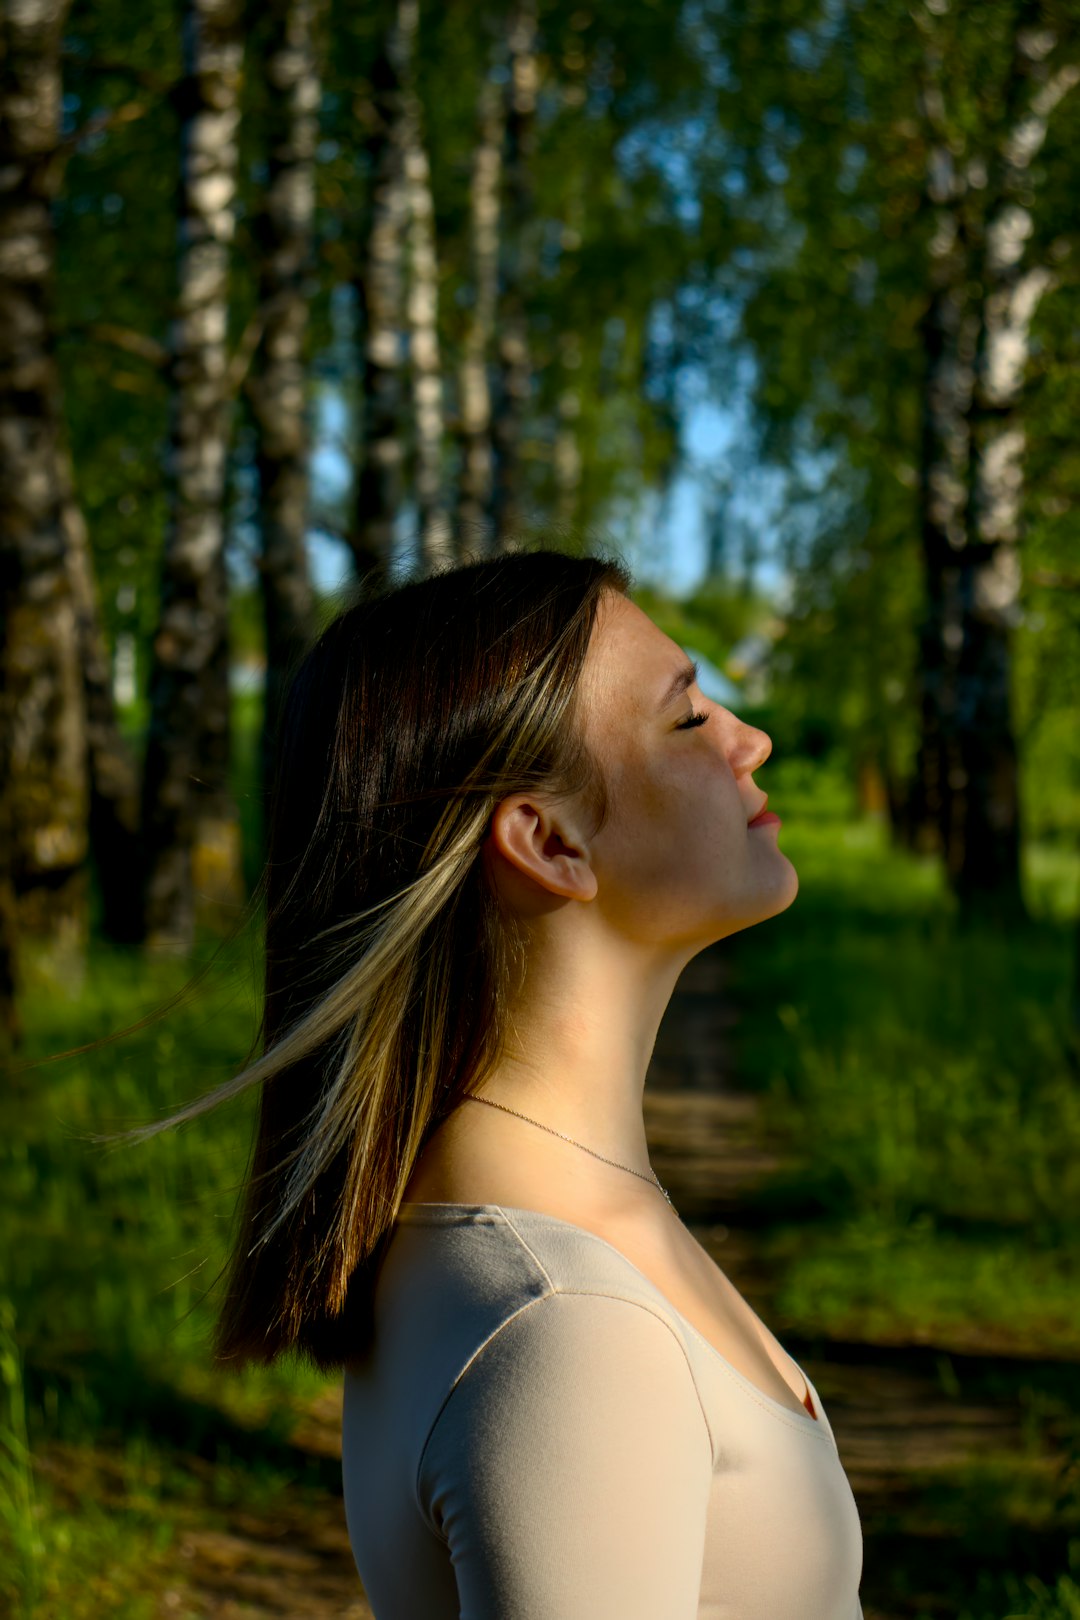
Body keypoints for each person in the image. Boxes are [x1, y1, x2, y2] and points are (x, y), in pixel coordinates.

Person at [116, 545, 864, 1617]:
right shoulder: (572, 1328)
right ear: (550, 841)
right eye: (690, 718)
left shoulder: (546, 1251)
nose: (753, 740)